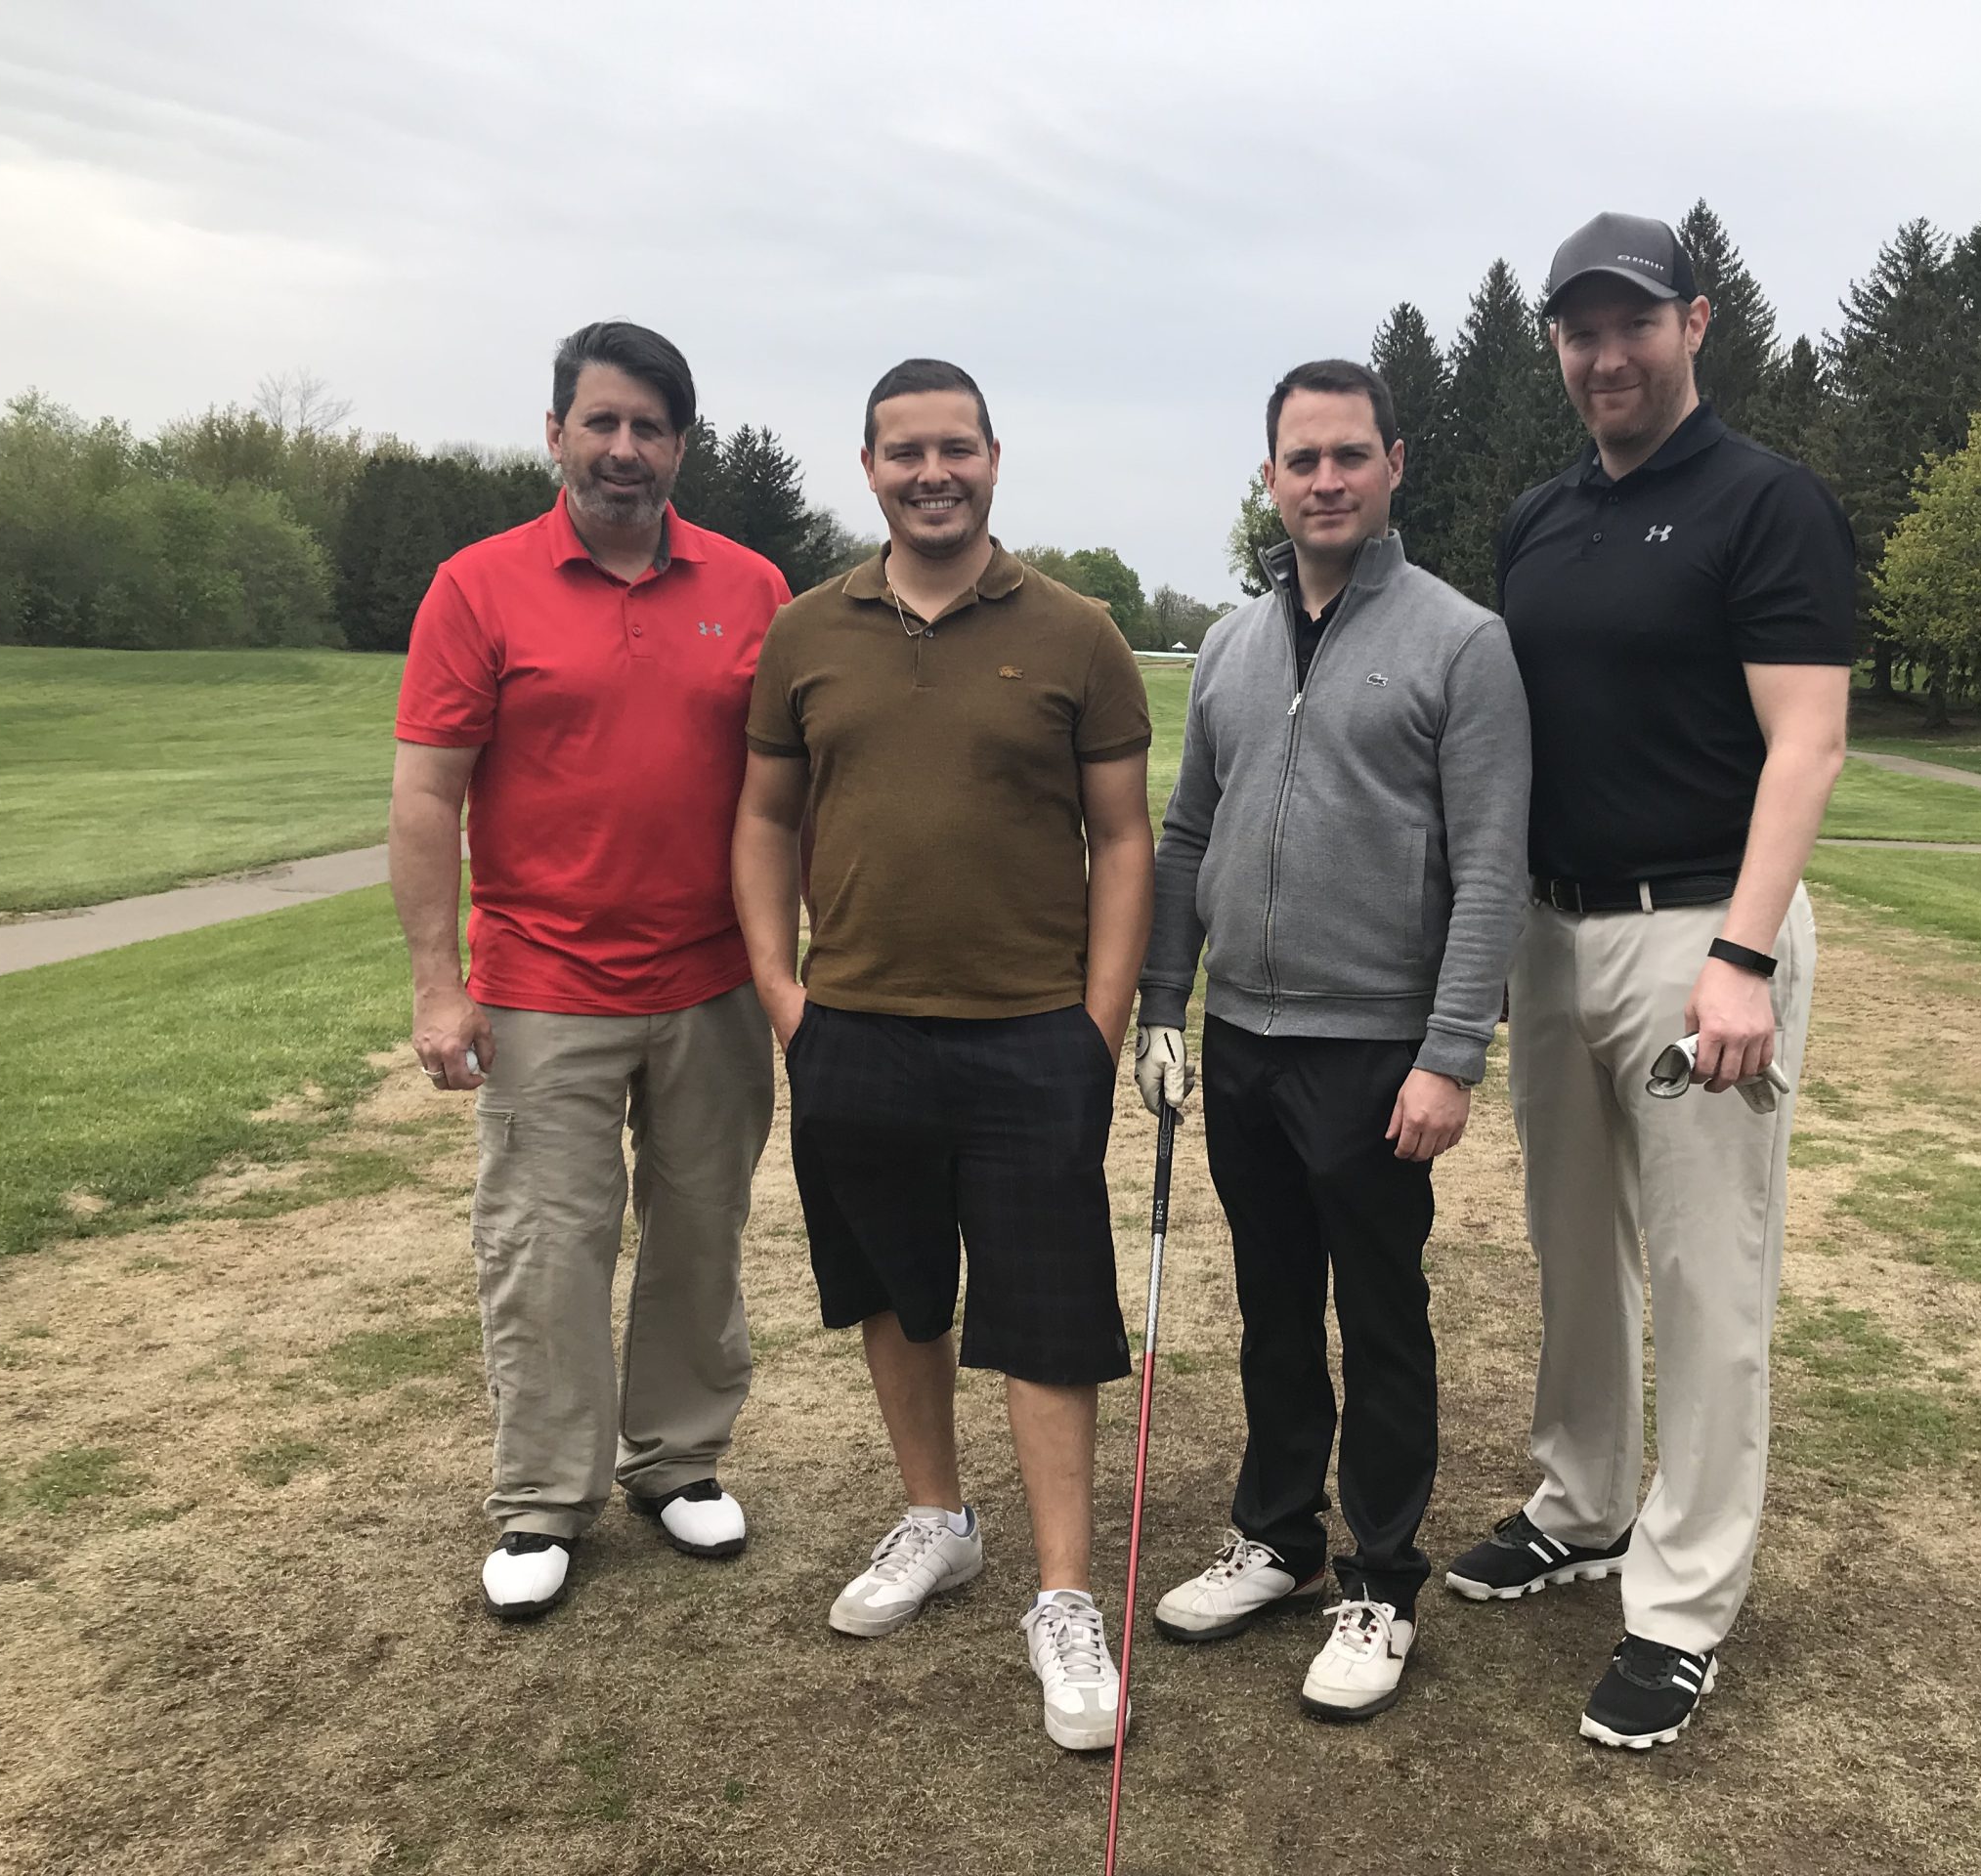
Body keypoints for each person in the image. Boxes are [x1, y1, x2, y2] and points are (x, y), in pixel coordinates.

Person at [1443, 211, 1855, 1749]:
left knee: (1705, 1272)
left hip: (1701, 936)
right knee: (1573, 1244)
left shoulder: (1766, 501)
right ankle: (1587, 1503)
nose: (1605, 355)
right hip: (1554, 934)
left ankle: (1682, 1601)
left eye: (1633, 324)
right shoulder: (1540, 519)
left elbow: (1807, 742)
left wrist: (1743, 954)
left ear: (1695, 323)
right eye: (1580, 330)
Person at [731, 360, 1155, 1752]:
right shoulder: (806, 633)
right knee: (896, 1289)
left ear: (993, 458)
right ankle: (937, 1518)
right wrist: (787, 995)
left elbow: (1123, 839)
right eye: (905, 452)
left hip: (1033, 1033)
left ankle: (1064, 1595)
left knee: (1046, 1311)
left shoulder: (1079, 633)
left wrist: (1097, 1026)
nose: (933, 474)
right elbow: (764, 821)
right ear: (869, 466)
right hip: (855, 1028)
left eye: (955, 449)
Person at [1134, 360, 1529, 1721]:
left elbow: (1491, 866)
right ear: (1270, 477)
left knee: (1381, 1313)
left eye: (1350, 454)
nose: (1325, 480)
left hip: (1374, 1049)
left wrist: (1451, 1053)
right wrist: (1163, 1005)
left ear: (1393, 465)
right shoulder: (1232, 644)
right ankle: (1279, 1536)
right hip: (1242, 1035)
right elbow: (1187, 833)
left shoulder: (1462, 642)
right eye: (1301, 459)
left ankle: (1381, 1578)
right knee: (1273, 1303)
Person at [390, 320, 793, 1622]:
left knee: (700, 1232)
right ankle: (544, 1498)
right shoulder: (478, 585)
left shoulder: (754, 587)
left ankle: (676, 1461)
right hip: (542, 982)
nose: (625, 449)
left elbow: (790, 792)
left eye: (650, 428)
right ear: (556, 432)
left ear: (681, 446)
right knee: (546, 1247)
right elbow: (426, 794)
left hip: (714, 979)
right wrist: (436, 983)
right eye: (602, 422)